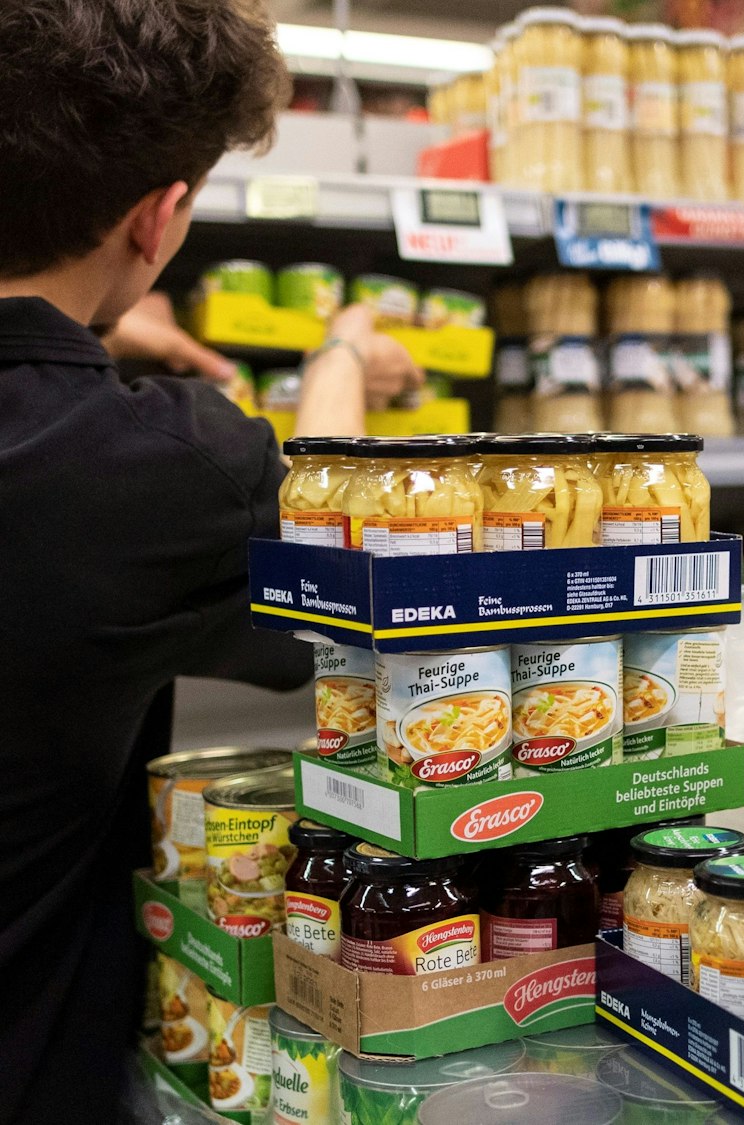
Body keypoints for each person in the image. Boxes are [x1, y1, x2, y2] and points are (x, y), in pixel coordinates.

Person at [0, 3, 422, 1121]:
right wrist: (336, 356)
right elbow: (341, 576)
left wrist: (85, 331)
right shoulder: (162, 469)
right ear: (159, 218)